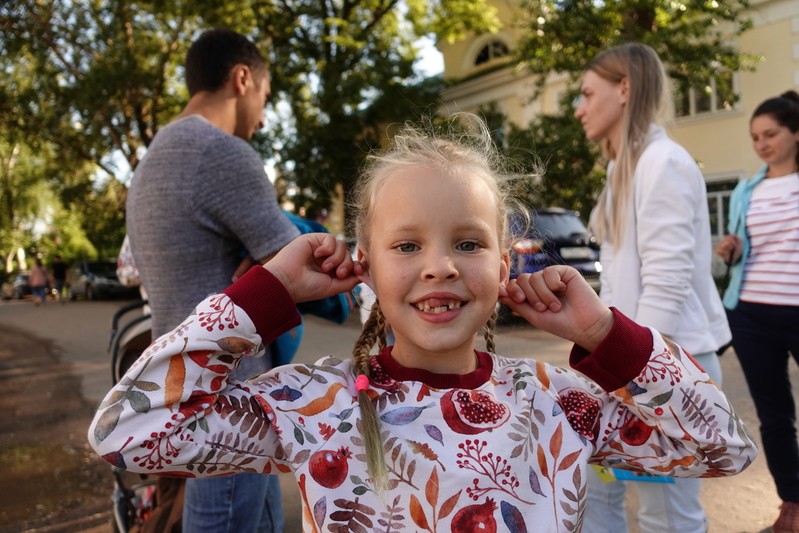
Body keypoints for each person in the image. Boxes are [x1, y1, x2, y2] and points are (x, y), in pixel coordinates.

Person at [89, 116, 756, 531]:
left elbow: (721, 446)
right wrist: (264, 291)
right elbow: (126, 431)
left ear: (503, 265)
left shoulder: (559, 403)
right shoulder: (313, 405)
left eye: (466, 243)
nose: (438, 265)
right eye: (406, 246)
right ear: (366, 266)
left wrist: (607, 333)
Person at [125, 28, 300, 533]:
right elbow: (299, 262)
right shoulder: (219, 152)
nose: (264, 118)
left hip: (183, 395)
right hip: (231, 401)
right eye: (265, 98)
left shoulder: (154, 156)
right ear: (242, 79)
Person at [573, 42, 732, 533]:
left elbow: (667, 281)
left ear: (624, 89)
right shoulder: (623, 167)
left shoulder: (663, 161)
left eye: (585, 93)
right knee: (597, 492)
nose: (578, 108)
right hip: (628, 363)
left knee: (668, 516)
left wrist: (636, 373)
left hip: (663, 367)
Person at [714, 90, 799, 533]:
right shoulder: (749, 188)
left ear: (795, 133)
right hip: (751, 314)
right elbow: (741, 248)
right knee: (774, 413)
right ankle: (793, 502)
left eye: (771, 134)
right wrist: (730, 249)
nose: (762, 143)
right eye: (755, 137)